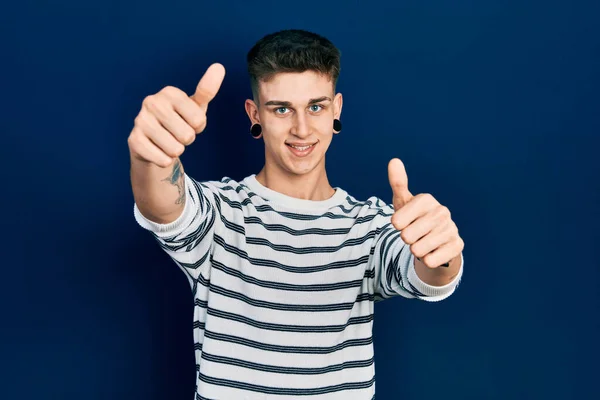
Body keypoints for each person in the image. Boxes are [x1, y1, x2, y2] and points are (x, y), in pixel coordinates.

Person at [128, 29, 464, 400]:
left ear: (336, 108)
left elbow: (429, 275)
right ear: (255, 115)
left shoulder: (370, 225)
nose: (301, 129)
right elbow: (163, 203)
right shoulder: (221, 213)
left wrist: (443, 253)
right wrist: (150, 156)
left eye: (315, 107)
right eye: (282, 109)